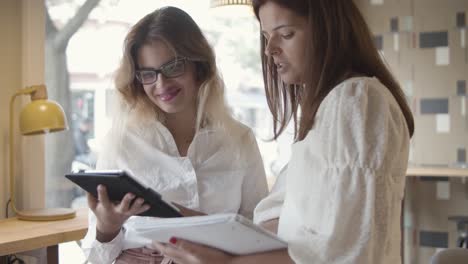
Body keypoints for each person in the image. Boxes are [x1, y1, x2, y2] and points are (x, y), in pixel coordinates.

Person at [152, 1, 415, 263]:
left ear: (328, 30)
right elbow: (277, 227)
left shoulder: (357, 100)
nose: (269, 50)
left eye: (286, 34)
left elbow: (343, 251)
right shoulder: (325, 115)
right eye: (266, 37)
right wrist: (179, 219)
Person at [80, 6, 268, 264]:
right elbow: (94, 258)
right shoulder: (122, 142)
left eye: (173, 67)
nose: (161, 84)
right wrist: (107, 229)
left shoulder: (239, 140)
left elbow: (259, 237)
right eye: (148, 73)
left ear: (199, 67)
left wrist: (198, 230)